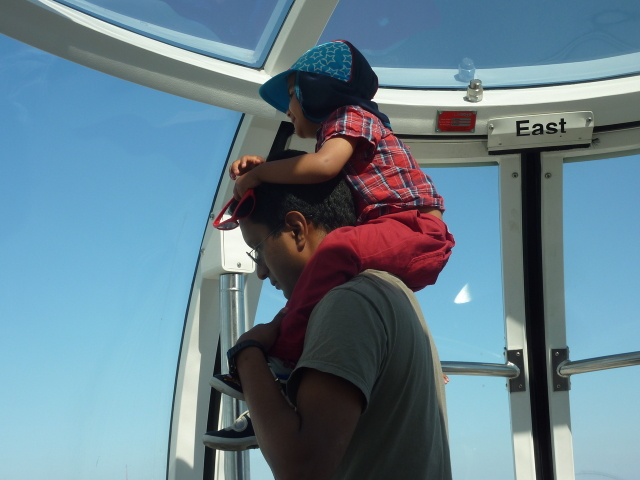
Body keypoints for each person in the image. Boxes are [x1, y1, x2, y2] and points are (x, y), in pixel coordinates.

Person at [210, 40, 454, 409]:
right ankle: (280, 371)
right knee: (316, 287)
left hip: (416, 229)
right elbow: (318, 178)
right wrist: (266, 170)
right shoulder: (343, 140)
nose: (287, 109)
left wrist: (260, 175)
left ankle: (286, 360)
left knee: (335, 249)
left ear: (317, 91)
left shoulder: (350, 116)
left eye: (291, 95)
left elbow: (322, 168)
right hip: (398, 228)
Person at [205, 161, 452, 479]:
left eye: (259, 250)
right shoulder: (386, 290)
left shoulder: (348, 302)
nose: (261, 272)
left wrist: (247, 353)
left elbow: (301, 469)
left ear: (296, 229)